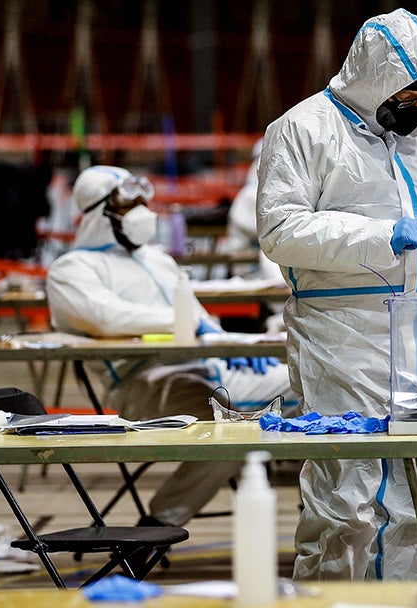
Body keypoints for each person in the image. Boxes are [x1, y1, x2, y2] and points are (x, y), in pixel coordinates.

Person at [255, 9, 417, 580]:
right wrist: (381, 236)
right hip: (343, 331)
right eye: (407, 95)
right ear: (375, 80)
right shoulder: (303, 128)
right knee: (347, 494)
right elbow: (279, 230)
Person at [47, 165, 295, 528]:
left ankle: (322, 503)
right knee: (231, 430)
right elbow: (105, 317)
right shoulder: (73, 269)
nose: (143, 214)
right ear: (101, 214)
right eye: (129, 206)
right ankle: (161, 521)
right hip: (148, 383)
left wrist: (236, 343)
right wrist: (179, 322)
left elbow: (202, 320)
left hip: (215, 370)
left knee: (310, 383)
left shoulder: (157, 260)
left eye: (143, 203)